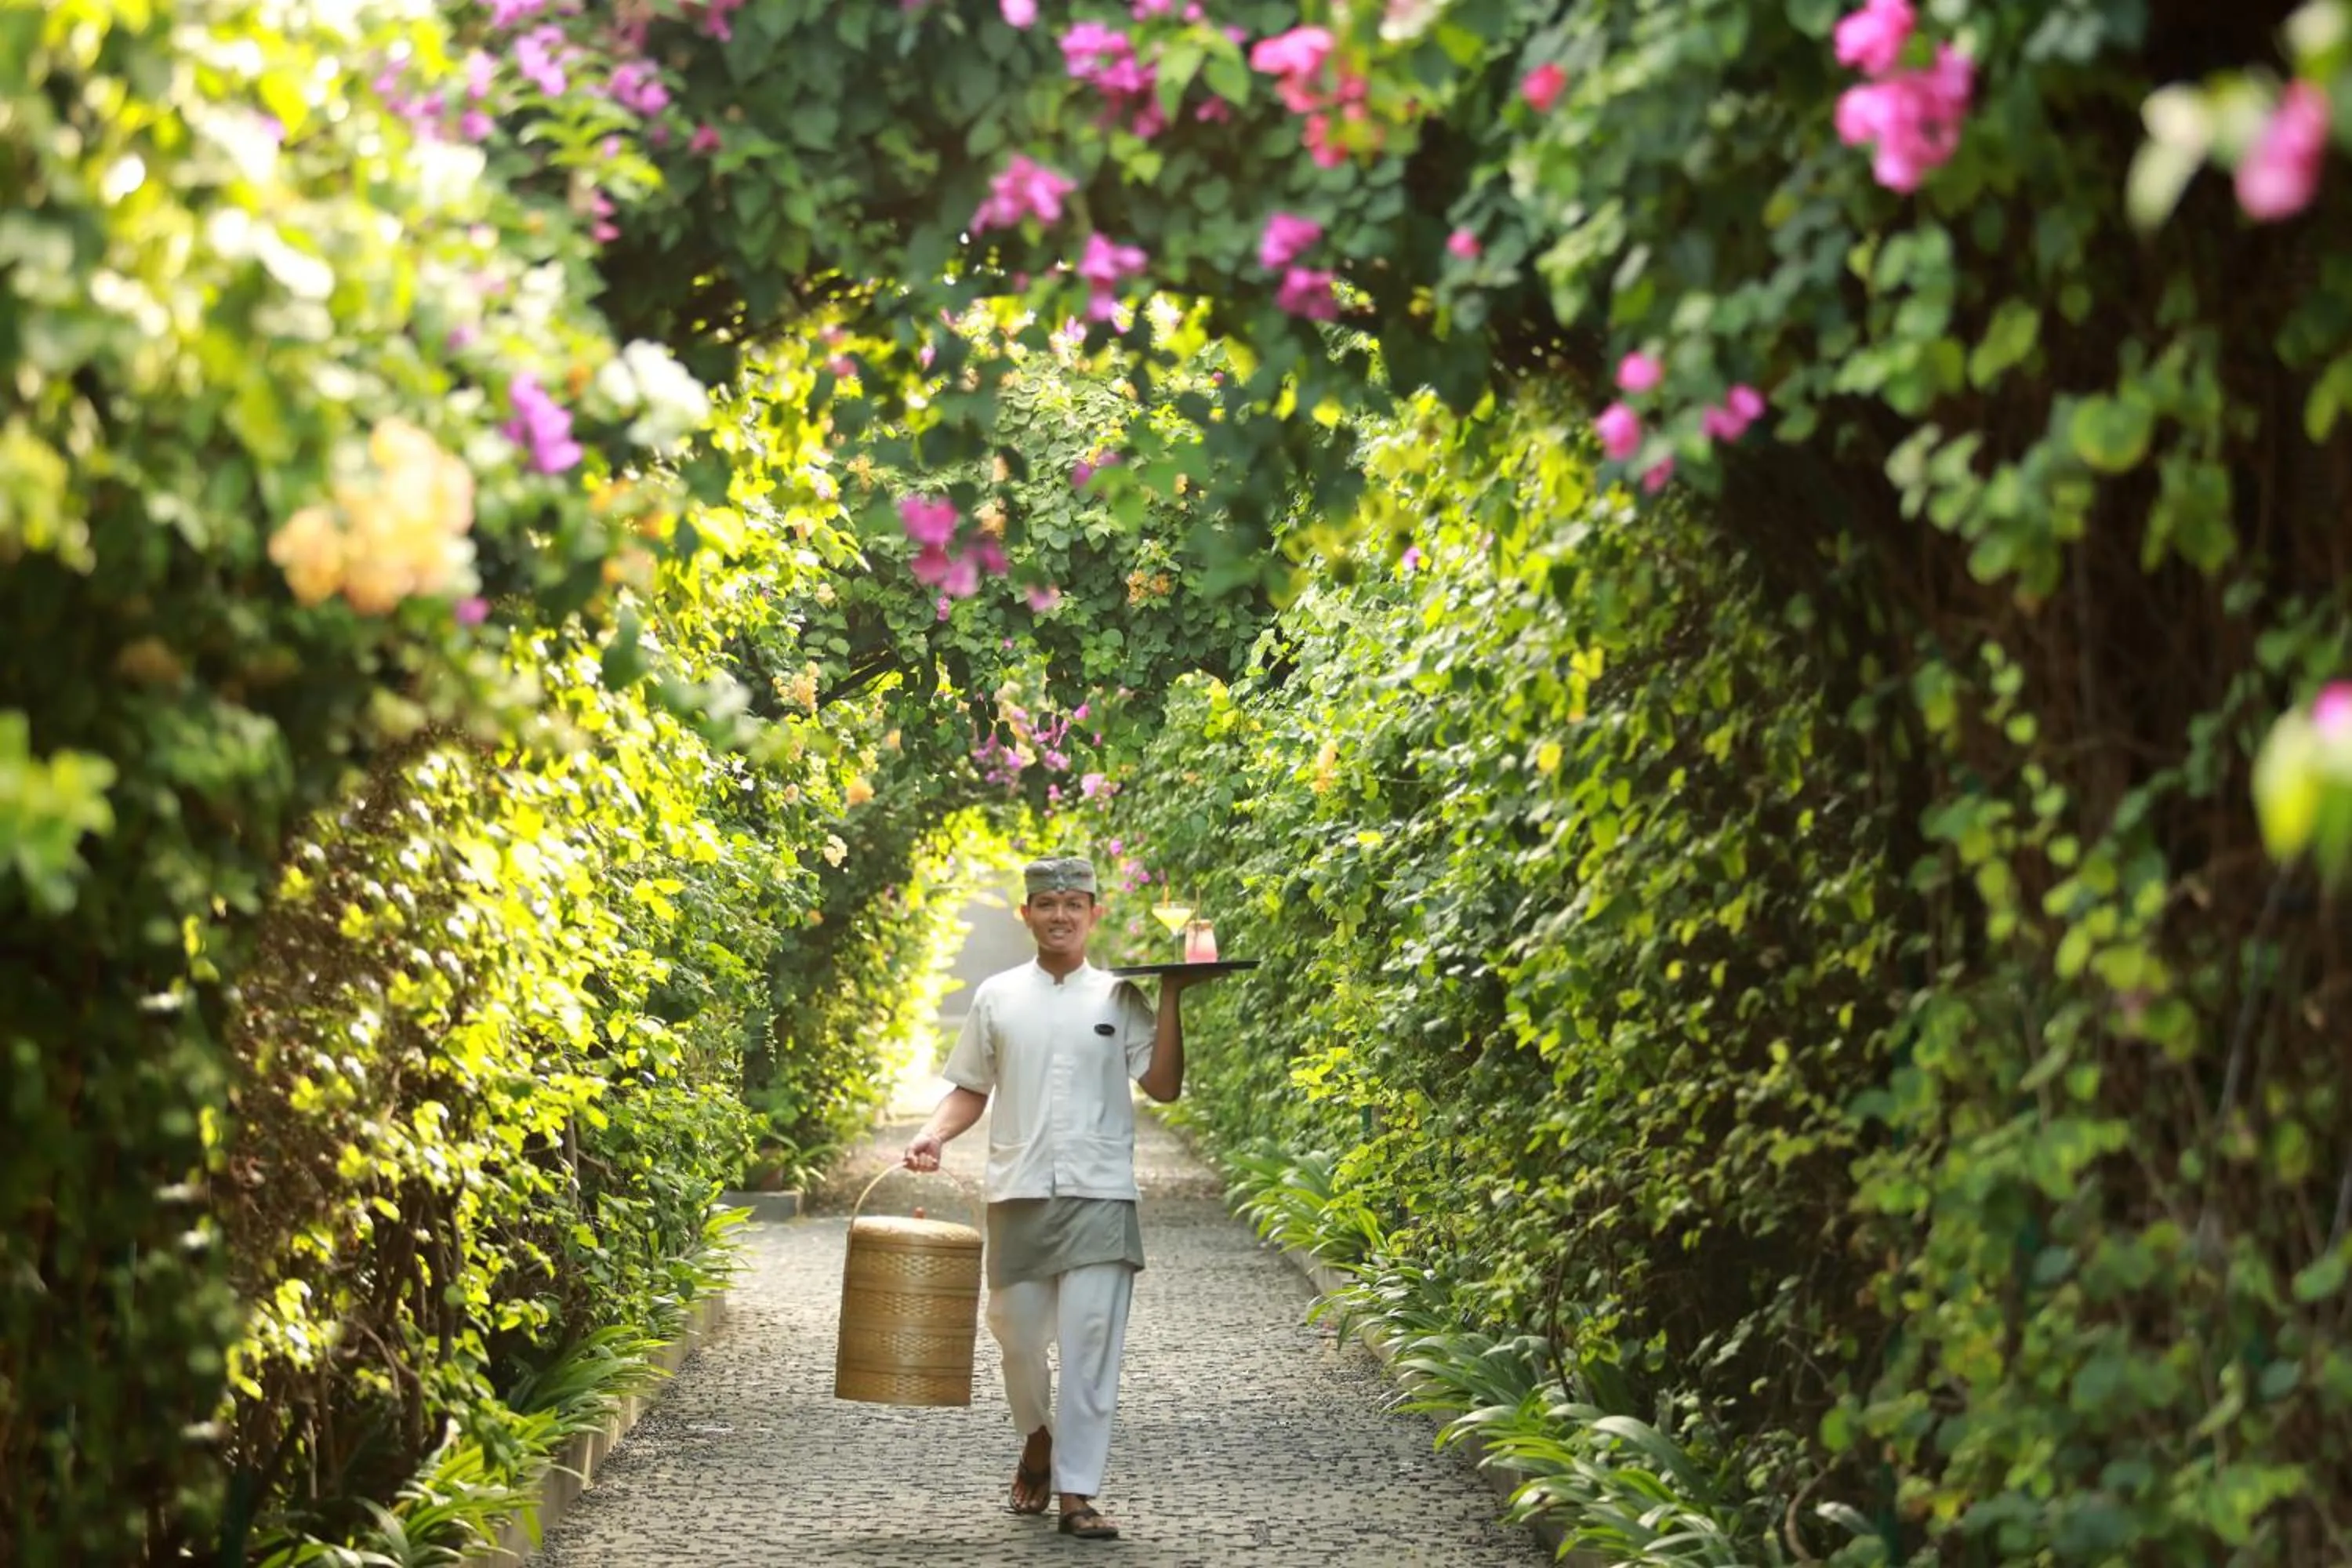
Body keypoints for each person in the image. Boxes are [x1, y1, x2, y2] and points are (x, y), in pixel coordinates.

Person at [902, 855, 1207, 1542]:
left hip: (1101, 1194)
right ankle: (1036, 1435)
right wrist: (933, 1133)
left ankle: (1077, 1492)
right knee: (1015, 1333)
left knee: (1091, 1342)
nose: (1060, 914)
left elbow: (1161, 1087)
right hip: (1018, 1190)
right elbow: (971, 1088)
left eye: (1074, 903)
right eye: (1047, 903)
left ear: (1095, 913)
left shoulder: (1121, 996)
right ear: (1027, 915)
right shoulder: (998, 996)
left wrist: (1175, 998)